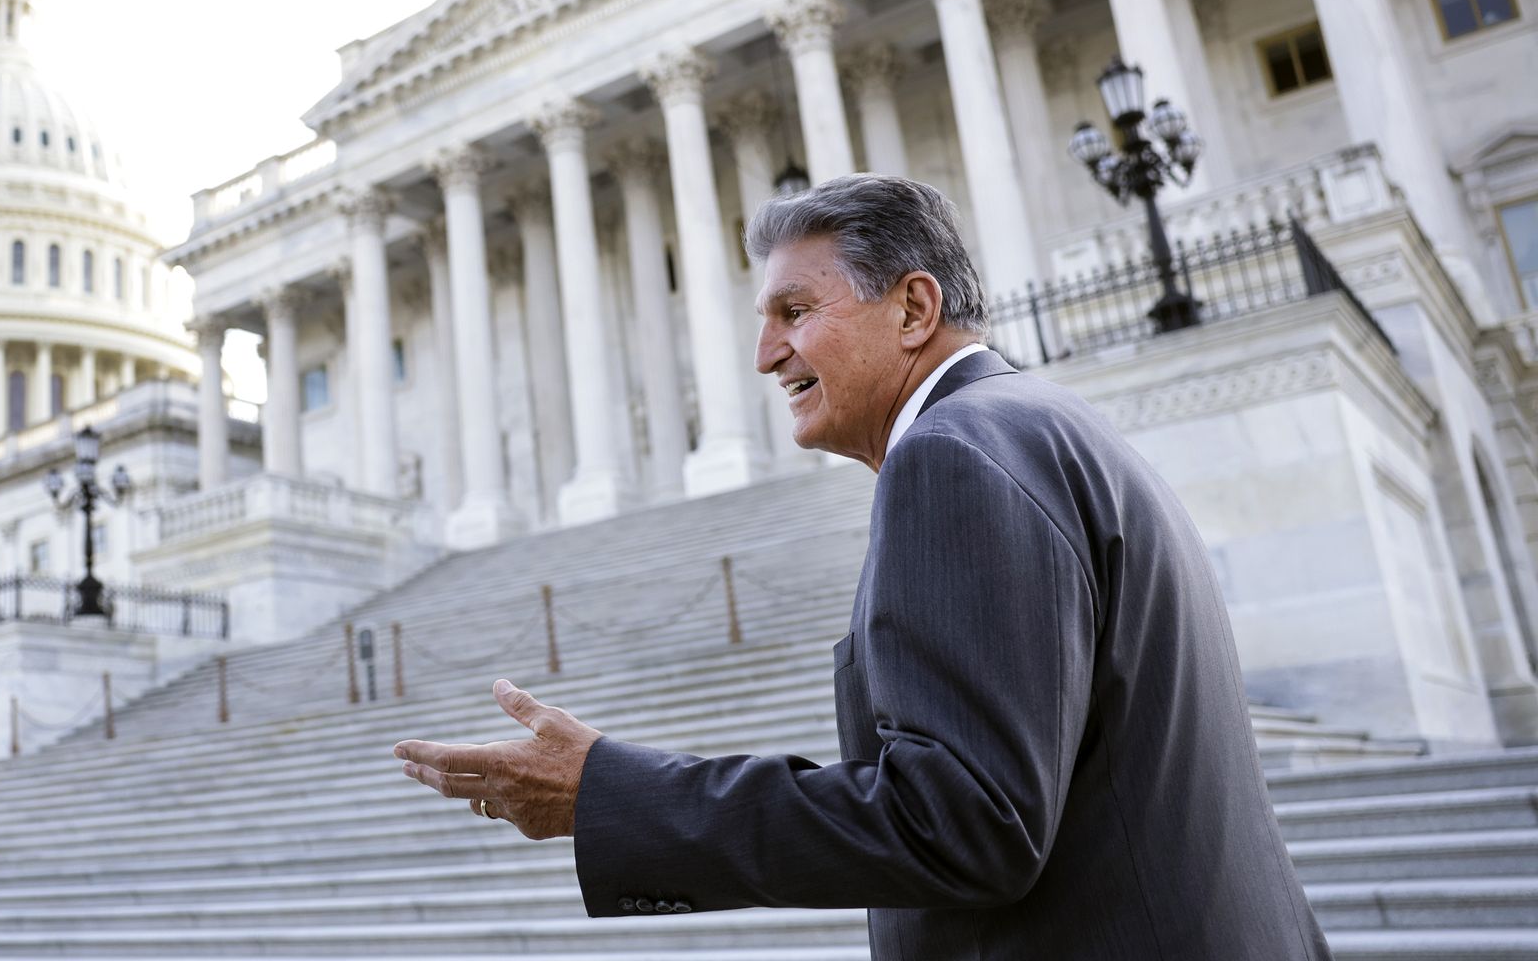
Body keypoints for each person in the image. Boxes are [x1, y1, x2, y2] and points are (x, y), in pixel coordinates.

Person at [392, 174, 1332, 960]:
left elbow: (967, 820)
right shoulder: (1041, 424)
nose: (765, 355)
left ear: (914, 307)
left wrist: (613, 794)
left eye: (795, 312)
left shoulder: (954, 454)